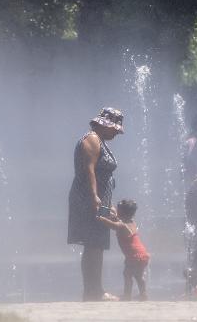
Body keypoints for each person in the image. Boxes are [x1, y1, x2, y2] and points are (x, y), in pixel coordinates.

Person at [68, 107, 124, 301]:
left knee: (96, 245)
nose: (117, 132)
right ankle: (93, 290)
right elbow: (90, 170)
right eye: (115, 128)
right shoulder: (91, 139)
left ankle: (94, 290)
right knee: (93, 244)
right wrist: (94, 196)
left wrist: (110, 204)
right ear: (104, 124)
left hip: (99, 198)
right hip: (88, 198)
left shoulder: (100, 140)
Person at [97, 199, 151, 301]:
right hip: (142, 254)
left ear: (122, 213)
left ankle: (127, 295)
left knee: (127, 274)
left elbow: (113, 225)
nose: (116, 212)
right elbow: (118, 220)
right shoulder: (131, 222)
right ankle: (143, 294)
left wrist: (101, 218)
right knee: (138, 276)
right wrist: (112, 211)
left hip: (134, 256)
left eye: (118, 210)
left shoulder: (121, 225)